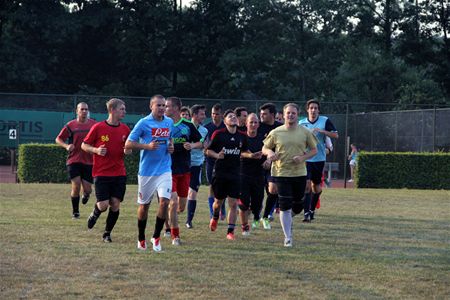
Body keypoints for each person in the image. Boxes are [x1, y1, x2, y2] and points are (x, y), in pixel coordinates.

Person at [262, 103, 318, 247]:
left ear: (297, 115)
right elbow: (265, 147)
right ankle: (288, 237)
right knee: (285, 205)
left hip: (299, 173)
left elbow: (314, 150)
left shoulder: (305, 132)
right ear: (284, 114)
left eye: (293, 113)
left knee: (298, 205)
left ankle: (287, 219)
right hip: (281, 172)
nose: (290, 115)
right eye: (288, 113)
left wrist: (302, 158)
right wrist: (270, 153)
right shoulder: (276, 132)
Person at [124, 95, 174, 252]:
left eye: (164, 105)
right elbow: (128, 144)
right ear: (151, 106)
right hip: (146, 172)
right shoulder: (143, 123)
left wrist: (171, 147)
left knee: (165, 202)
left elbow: (170, 139)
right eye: (158, 105)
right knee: (144, 206)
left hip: (164, 169)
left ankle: (156, 236)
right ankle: (141, 237)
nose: (162, 108)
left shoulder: (169, 122)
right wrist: (146, 146)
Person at [81, 98, 131, 243]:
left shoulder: (125, 129)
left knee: (115, 204)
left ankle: (107, 234)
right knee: (103, 205)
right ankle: (95, 213)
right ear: (112, 110)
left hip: (119, 173)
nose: (124, 111)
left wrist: (128, 150)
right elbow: (84, 145)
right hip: (101, 172)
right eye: (122, 109)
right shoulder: (98, 127)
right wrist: (96, 150)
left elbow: (129, 147)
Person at [206, 110, 250, 240]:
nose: (233, 118)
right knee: (218, 202)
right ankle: (215, 216)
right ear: (225, 121)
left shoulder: (242, 136)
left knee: (233, 203)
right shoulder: (218, 134)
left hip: (235, 174)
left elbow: (244, 151)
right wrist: (217, 155)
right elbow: (208, 151)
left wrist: (252, 155)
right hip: (220, 173)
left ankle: (230, 231)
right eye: (230, 117)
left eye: (234, 116)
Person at [164, 97, 202, 245]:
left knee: (180, 207)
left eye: (167, 106)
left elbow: (201, 142)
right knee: (172, 203)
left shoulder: (187, 125)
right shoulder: (163, 125)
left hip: (185, 169)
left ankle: (166, 219)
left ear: (176, 108)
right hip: (167, 170)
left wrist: (192, 146)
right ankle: (175, 235)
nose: (164, 108)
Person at [299, 99, 338, 222]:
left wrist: (322, 131)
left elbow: (336, 135)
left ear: (318, 110)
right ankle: (306, 214)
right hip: (306, 159)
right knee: (306, 186)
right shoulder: (301, 123)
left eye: (316, 108)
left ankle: (312, 209)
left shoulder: (324, 120)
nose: (313, 110)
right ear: (307, 110)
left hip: (319, 159)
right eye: (311, 108)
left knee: (316, 187)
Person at [55, 102, 96, 219]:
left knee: (88, 189)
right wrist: (66, 146)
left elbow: (100, 137)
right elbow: (58, 139)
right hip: (74, 160)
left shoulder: (94, 125)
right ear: (76, 111)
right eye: (82, 109)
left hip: (89, 161)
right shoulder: (70, 125)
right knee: (76, 185)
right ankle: (75, 212)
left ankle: (86, 195)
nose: (84, 111)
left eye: (86, 109)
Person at [238, 113, 266, 235]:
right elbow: (238, 153)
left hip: (259, 175)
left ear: (258, 124)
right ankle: (245, 227)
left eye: (255, 122)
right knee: (243, 204)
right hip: (243, 174)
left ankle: (256, 216)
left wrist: (269, 161)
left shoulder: (263, 139)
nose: (253, 125)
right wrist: (250, 155)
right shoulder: (241, 138)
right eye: (251, 122)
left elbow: (270, 152)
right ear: (246, 124)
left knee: (257, 204)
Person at [258, 103, 283, 229]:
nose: (261, 116)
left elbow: (283, 148)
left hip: (273, 164)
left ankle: (266, 217)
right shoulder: (257, 126)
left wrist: (270, 159)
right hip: (255, 165)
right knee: (257, 194)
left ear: (272, 115)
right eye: (260, 113)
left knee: (273, 190)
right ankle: (256, 216)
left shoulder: (280, 128)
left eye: (264, 114)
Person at [186, 104, 209, 229]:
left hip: (196, 164)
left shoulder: (204, 130)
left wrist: (192, 145)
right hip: (182, 164)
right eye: (202, 114)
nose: (204, 116)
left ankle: (189, 221)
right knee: (180, 195)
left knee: (193, 192)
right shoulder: (184, 127)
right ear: (194, 115)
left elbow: (203, 145)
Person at [204, 103, 226, 220]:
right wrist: (205, 146)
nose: (214, 116)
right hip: (211, 161)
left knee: (223, 186)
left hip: (224, 162)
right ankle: (213, 212)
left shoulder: (226, 127)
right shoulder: (207, 128)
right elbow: (204, 145)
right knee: (212, 186)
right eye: (213, 113)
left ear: (221, 115)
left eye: (217, 114)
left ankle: (221, 208)